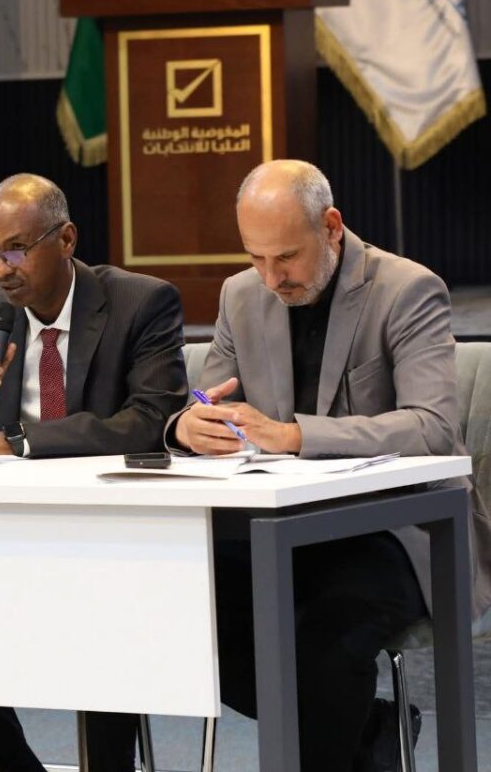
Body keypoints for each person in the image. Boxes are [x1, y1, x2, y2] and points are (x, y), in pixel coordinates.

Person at [88, 159, 491, 771]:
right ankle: (366, 734)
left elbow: (433, 428)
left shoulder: (407, 289)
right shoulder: (241, 295)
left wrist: (296, 435)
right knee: (165, 607)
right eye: (255, 257)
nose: (272, 277)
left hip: (400, 529)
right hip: (281, 528)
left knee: (326, 639)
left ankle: (352, 737)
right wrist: (187, 426)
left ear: (331, 226)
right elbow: (205, 402)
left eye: (286, 258)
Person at [0, 173, 188, 772]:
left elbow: (151, 420)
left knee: (101, 607)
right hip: (2, 536)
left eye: (16, 249)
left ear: (66, 240)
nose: (1, 269)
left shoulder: (141, 303)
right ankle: (14, 760)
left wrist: (22, 441)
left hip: (111, 536)